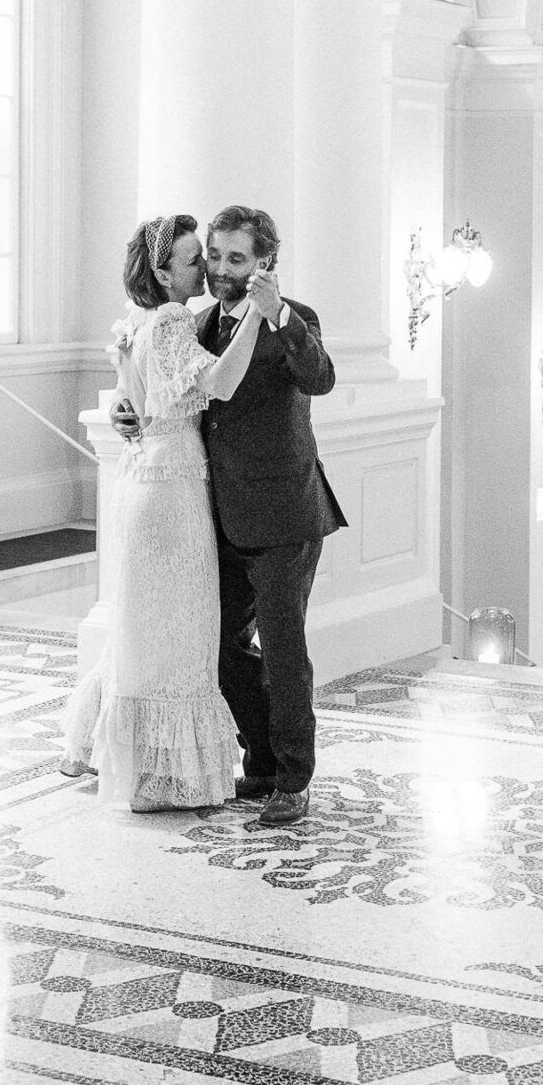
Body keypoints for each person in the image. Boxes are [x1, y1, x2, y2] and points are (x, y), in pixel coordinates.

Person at [60, 212, 263, 810]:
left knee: (143, 629)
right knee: (180, 635)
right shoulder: (173, 320)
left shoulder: (140, 321)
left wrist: (126, 409)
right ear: (165, 273)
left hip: (143, 479)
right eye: (195, 259)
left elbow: (136, 396)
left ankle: (112, 752)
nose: (206, 269)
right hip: (174, 489)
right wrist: (258, 312)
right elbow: (219, 383)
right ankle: (163, 775)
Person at [193, 207, 345, 827]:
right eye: (215, 256)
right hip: (221, 516)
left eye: (236, 258)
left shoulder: (295, 318)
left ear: (265, 264)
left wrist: (278, 313)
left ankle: (293, 778)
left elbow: (320, 378)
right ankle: (259, 760)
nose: (221, 269)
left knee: (284, 652)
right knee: (219, 645)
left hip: (285, 515)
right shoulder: (199, 325)